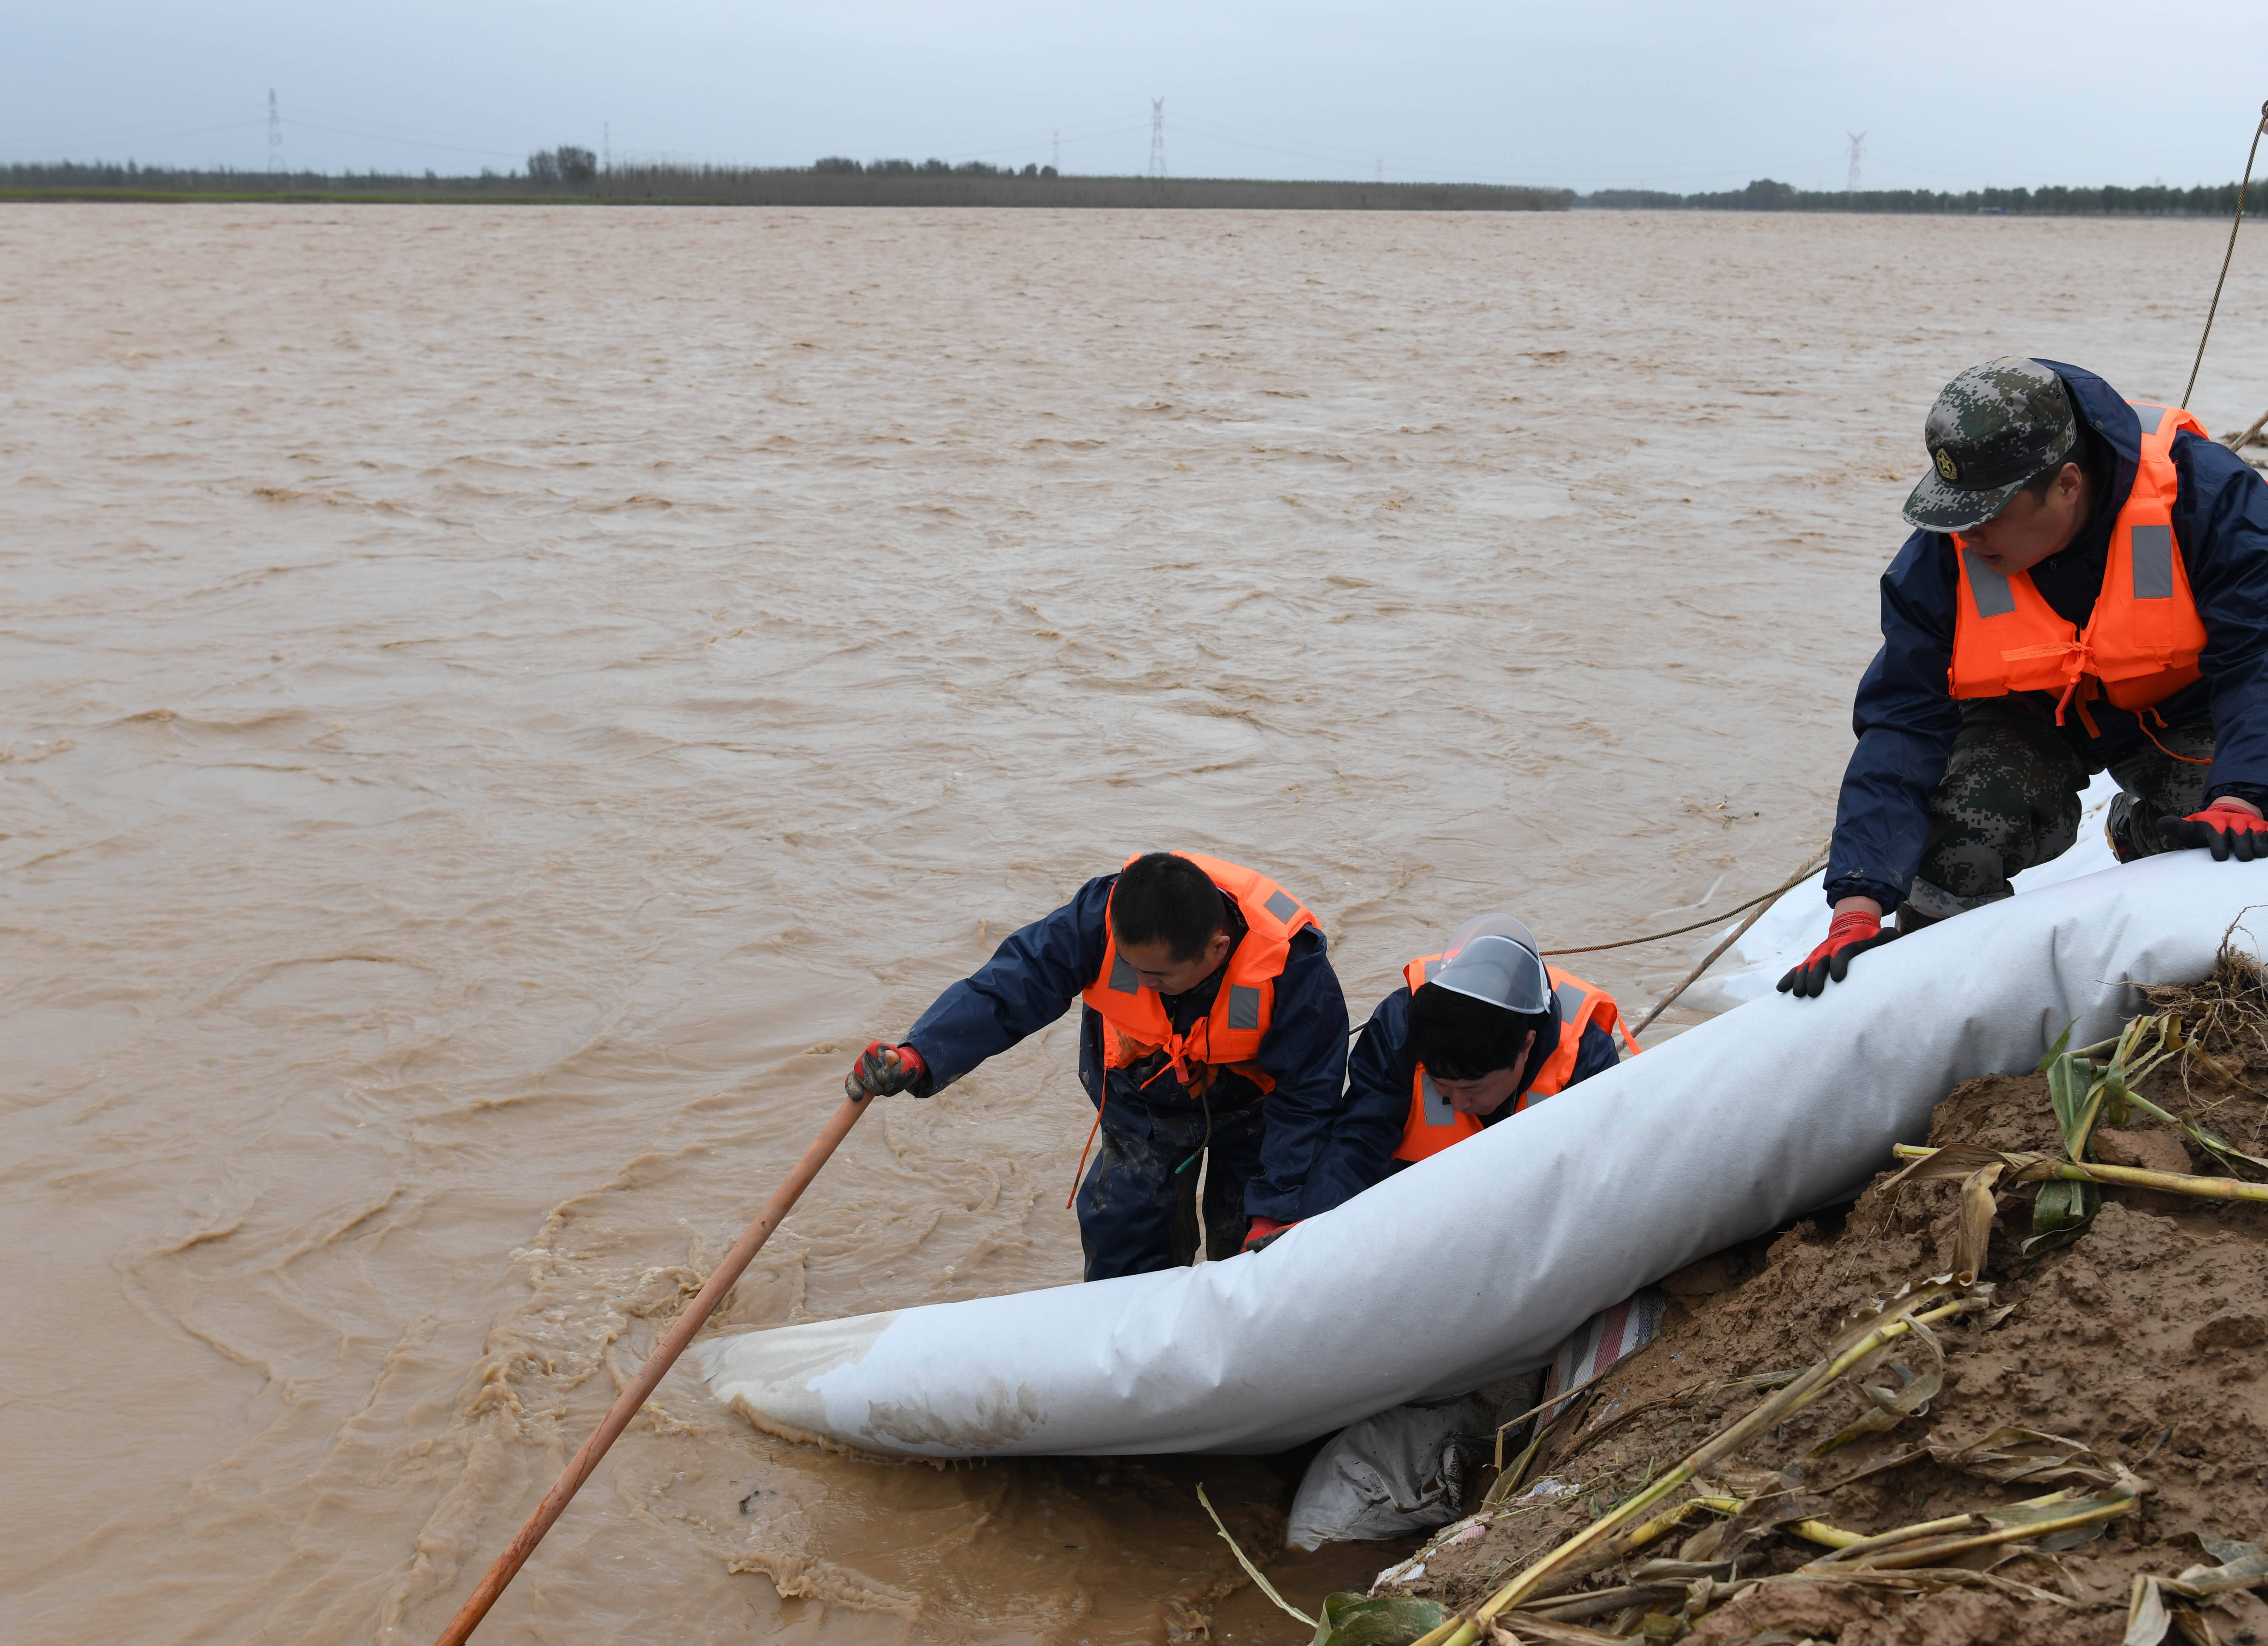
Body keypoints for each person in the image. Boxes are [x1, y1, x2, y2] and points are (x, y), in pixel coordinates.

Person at [1784, 356, 2268, 998]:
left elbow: (2258, 656)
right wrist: (1856, 904)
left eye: (1987, 514)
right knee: (1955, 837)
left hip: (2182, 707)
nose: (1967, 533)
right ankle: (1943, 998)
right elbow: (1901, 721)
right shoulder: (1942, 554)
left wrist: (2243, 795)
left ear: (2067, 484)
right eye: (1955, 511)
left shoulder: (2209, 498)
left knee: (2231, 842)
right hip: (2028, 714)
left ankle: (2145, 829)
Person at [840, 850, 1351, 1280]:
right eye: (1131, 969)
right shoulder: (1098, 918)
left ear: (1217, 950)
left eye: (1157, 976)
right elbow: (1010, 985)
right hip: (1142, 1096)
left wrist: (1275, 1212)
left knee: (1247, 1243)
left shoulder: (1293, 967)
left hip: (1255, 1109)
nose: (1140, 982)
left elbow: (1307, 1098)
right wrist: (918, 1053)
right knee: (1125, 1237)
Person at [1337, 914, 1635, 1181]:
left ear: (1526, 1046)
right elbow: (1358, 1143)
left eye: (1474, 1090)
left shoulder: (1586, 1055)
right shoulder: (1401, 1025)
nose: (1458, 1105)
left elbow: (1603, 1169)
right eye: (1441, 1085)